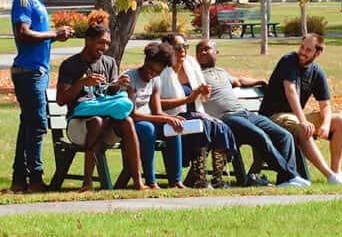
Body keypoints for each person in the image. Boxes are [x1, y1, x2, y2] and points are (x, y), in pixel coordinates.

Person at [196, 39, 310, 187]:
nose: (203, 52)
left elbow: (239, 81)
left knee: (284, 135)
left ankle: (285, 180)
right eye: (199, 50)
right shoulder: (195, 74)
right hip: (225, 118)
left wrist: (260, 81)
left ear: (216, 53)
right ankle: (291, 176)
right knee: (260, 136)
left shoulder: (221, 72)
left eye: (206, 49)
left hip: (244, 113)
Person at [55, 13, 145, 192]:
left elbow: (110, 93)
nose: (104, 47)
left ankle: (138, 182)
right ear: (88, 40)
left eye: (107, 44)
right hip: (79, 125)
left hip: (106, 122)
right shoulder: (71, 65)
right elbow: (61, 99)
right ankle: (87, 182)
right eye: (101, 42)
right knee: (96, 121)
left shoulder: (109, 63)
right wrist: (81, 83)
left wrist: (118, 85)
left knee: (127, 121)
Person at [9, 0, 74, 193]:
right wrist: (54, 34)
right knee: (37, 125)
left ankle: (19, 179)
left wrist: (54, 35)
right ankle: (35, 178)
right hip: (28, 72)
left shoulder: (38, 3)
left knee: (27, 125)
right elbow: (23, 33)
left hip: (39, 72)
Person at [259, 33, 342, 185]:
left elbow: (325, 104)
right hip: (273, 117)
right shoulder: (289, 60)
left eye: (308, 50)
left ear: (318, 53)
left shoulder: (316, 72)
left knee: (340, 121)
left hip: (294, 116)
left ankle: (337, 171)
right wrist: (303, 120)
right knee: (304, 128)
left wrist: (326, 124)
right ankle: (330, 176)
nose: (302, 52)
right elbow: (290, 91)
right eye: (302, 47)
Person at [159, 34, 238, 189]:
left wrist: (204, 92)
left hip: (196, 114)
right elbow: (157, 105)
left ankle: (218, 178)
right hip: (172, 117)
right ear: (168, 50)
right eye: (177, 48)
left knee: (221, 127)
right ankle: (199, 178)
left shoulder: (191, 65)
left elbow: (201, 97)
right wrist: (188, 99)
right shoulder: (162, 70)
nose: (182, 51)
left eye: (185, 47)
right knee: (202, 127)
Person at [125, 42, 190, 189]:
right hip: (132, 123)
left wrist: (171, 119)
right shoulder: (130, 78)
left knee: (173, 128)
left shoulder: (156, 80)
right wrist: (165, 118)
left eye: (157, 72)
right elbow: (133, 114)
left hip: (149, 119)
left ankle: (176, 180)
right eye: (151, 69)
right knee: (148, 129)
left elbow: (157, 111)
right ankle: (150, 180)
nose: (152, 74)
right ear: (146, 61)